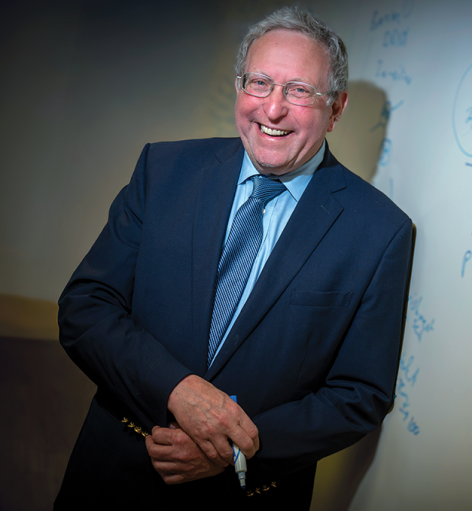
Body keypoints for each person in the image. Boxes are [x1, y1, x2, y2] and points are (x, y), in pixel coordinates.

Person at [55, 7, 412, 510]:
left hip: (245, 492)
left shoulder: (381, 232)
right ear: (240, 86)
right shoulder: (165, 169)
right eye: (260, 83)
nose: (272, 110)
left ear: (336, 108)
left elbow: (360, 395)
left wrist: (238, 450)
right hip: (117, 468)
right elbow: (85, 306)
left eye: (300, 91)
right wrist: (175, 389)